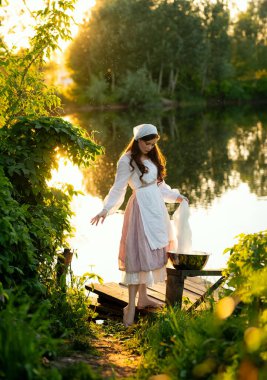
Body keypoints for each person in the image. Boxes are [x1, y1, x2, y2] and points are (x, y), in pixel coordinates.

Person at [91, 123, 188, 327]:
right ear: (138, 141)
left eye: (153, 144)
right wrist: (105, 209)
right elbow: (118, 189)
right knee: (138, 255)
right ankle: (130, 307)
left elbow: (159, 186)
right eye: (147, 144)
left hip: (156, 209)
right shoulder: (126, 160)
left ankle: (143, 298)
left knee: (150, 253)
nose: (151, 147)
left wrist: (176, 196)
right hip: (140, 210)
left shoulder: (152, 157)